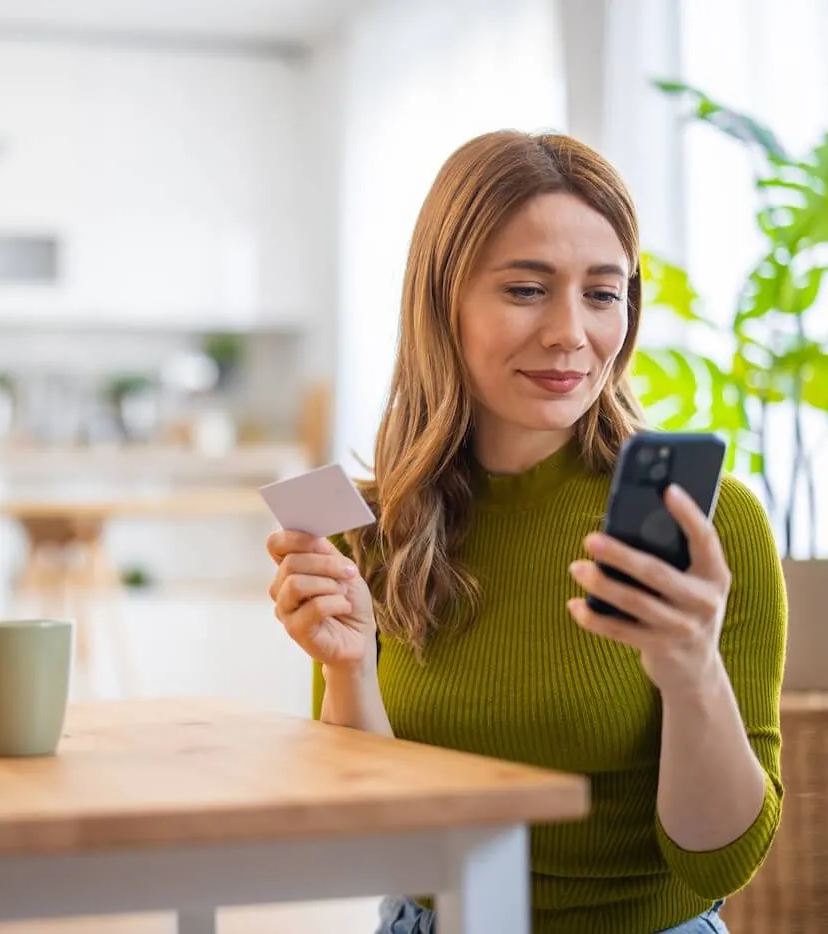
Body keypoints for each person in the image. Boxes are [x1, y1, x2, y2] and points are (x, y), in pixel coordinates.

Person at [266, 130, 786, 934]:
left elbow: (719, 863)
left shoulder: (712, 525)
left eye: (603, 294)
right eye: (526, 290)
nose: (571, 334)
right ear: (443, 301)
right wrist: (348, 674)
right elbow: (376, 852)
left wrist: (690, 674)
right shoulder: (368, 532)